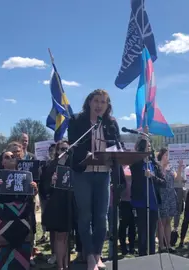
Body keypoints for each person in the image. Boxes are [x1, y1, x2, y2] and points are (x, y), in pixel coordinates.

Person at [67, 89, 121, 270]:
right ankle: (89, 256)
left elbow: (117, 146)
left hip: (104, 173)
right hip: (83, 173)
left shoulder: (111, 123)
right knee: (85, 216)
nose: (99, 105)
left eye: (103, 102)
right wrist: (88, 154)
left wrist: (115, 154)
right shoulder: (76, 121)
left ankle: (98, 254)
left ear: (108, 106)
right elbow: (74, 144)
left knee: (101, 217)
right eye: (96, 101)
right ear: (89, 102)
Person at [0, 150, 38, 270]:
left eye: (13, 156)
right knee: (1, 248)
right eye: (7, 157)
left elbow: (32, 195)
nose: (10, 158)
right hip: (2, 217)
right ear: (2, 162)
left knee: (22, 247)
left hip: (22, 217)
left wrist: (34, 188)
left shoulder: (25, 175)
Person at [42, 140, 78, 270]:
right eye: (62, 149)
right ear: (57, 151)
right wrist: (52, 182)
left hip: (70, 202)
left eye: (68, 150)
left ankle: (66, 263)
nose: (65, 152)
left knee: (67, 236)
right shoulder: (51, 165)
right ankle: (61, 265)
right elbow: (45, 189)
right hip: (57, 204)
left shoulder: (73, 164)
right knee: (60, 236)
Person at [130, 137, 165, 256]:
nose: (148, 149)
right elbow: (136, 179)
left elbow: (163, 182)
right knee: (142, 232)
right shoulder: (135, 164)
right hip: (141, 202)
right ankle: (142, 257)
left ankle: (152, 256)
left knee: (151, 232)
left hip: (153, 203)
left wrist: (152, 177)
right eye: (146, 147)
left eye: (150, 147)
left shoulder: (155, 165)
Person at [156, 148, 179, 252]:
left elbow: (176, 178)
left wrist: (180, 168)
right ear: (161, 156)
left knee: (169, 221)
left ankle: (168, 244)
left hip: (170, 195)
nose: (168, 157)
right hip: (162, 196)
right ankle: (161, 245)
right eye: (166, 155)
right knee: (161, 222)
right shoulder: (158, 167)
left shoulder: (171, 167)